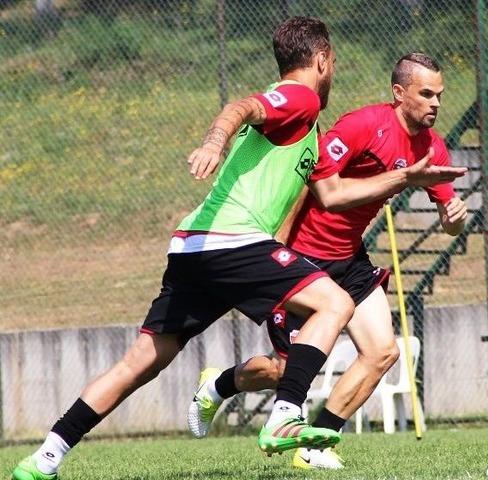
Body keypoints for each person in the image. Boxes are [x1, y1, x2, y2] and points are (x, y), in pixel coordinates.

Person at [11, 19, 465, 480]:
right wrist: (214, 140)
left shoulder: (308, 127)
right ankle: (286, 414)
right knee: (335, 304)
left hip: (194, 245)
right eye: (334, 64)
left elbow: (328, 194)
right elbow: (241, 107)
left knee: (142, 360)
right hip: (235, 241)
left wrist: (412, 183)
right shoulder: (301, 97)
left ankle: (45, 457)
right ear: (323, 59)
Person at [186, 52, 466, 471]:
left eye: (439, 95)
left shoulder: (432, 145)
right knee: (283, 370)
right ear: (399, 93)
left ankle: (315, 445)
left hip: (350, 261)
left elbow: (450, 222)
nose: (435, 103)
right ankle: (218, 385)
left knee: (383, 352)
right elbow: (316, 184)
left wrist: (454, 216)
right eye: (426, 94)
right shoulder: (362, 125)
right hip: (304, 259)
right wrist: (278, 239)